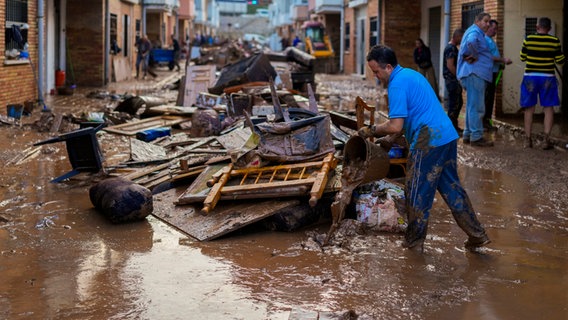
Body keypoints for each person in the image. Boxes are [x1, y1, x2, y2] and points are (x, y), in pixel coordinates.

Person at [358, 44, 491, 252]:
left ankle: (414, 243)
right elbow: (409, 118)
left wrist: (372, 130)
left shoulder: (396, 85)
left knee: (417, 191)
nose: (376, 76)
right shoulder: (411, 75)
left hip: (428, 140)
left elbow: (395, 124)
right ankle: (477, 235)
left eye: (376, 71)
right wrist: (391, 140)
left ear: (389, 67)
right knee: (451, 188)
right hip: (446, 135)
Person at [519, 17, 565, 150]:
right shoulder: (554, 41)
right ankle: (546, 140)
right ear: (549, 29)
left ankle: (527, 140)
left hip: (530, 78)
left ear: (537, 27)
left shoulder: (528, 39)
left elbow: (522, 57)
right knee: (548, 108)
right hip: (547, 78)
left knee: (529, 108)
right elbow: (560, 61)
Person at [457, 12, 494, 147]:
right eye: (486, 21)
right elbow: (471, 42)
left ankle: (468, 134)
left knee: (472, 106)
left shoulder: (474, 31)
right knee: (477, 107)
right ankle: (476, 136)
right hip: (475, 74)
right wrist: (474, 54)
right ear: (477, 21)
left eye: (489, 22)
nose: (488, 24)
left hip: (472, 74)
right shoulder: (475, 32)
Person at [484, 20, 512, 131]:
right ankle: (484, 123)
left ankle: (486, 121)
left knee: (490, 98)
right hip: (488, 73)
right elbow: (488, 56)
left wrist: (500, 64)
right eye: (494, 29)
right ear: (488, 27)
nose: (495, 31)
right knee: (487, 98)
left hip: (494, 71)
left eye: (497, 29)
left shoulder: (491, 40)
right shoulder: (485, 40)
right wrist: (503, 60)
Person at [443, 28, 464, 133]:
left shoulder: (452, 48)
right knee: (455, 104)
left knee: (458, 103)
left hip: (452, 80)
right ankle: (451, 129)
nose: (462, 41)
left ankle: (453, 127)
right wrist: (459, 76)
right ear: (457, 37)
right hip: (452, 80)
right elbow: (450, 65)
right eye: (461, 38)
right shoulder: (451, 48)